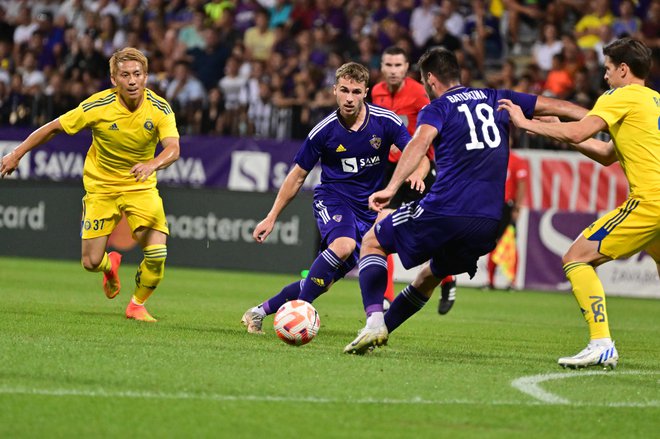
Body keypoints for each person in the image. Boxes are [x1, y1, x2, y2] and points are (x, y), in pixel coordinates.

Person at [343, 47, 588, 355]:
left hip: (446, 209)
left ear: (430, 79)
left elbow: (419, 142)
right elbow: (560, 106)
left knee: (372, 242)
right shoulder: (496, 97)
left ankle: (374, 320)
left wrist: (391, 187)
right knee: (428, 277)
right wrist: (601, 120)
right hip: (487, 224)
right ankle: (380, 332)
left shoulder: (437, 108)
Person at [498, 37, 660, 369]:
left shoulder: (619, 95)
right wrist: (561, 129)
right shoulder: (653, 101)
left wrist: (527, 123)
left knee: (576, 258)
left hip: (650, 202)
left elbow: (578, 133)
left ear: (623, 70)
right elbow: (605, 154)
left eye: (608, 69)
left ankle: (601, 343)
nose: (605, 77)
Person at [0, 47, 180, 322]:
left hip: (139, 185)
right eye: (125, 75)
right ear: (113, 80)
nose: (132, 81)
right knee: (91, 262)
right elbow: (53, 127)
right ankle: (110, 266)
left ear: (146, 77)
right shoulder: (98, 106)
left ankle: (136, 305)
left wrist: (152, 164)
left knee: (157, 253)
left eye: (137, 74)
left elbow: (173, 148)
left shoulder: (159, 108)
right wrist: (16, 154)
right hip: (101, 187)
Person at [240, 62, 414, 334]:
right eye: (344, 90)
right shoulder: (323, 131)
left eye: (356, 91)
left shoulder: (386, 122)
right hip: (333, 199)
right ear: (334, 91)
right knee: (343, 245)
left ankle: (258, 312)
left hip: (368, 212)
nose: (349, 97)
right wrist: (271, 217)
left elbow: (415, 151)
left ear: (365, 92)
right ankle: (298, 313)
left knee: (324, 280)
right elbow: (297, 176)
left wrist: (419, 171)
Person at [371, 45, 458, 315]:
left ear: (407, 68)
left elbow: (430, 134)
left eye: (398, 66)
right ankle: (384, 299)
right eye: (389, 65)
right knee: (379, 231)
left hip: (423, 167)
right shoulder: (376, 92)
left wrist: (420, 171)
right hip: (393, 170)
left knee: (429, 235)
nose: (393, 71)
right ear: (382, 67)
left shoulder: (420, 93)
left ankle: (448, 279)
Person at [484, 149, 528, 290]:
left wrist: (517, 207)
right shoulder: (491, 158)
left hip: (507, 206)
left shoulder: (516, 160)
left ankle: (512, 281)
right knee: (491, 242)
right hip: (493, 205)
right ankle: (490, 281)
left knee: (510, 243)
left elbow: (522, 184)